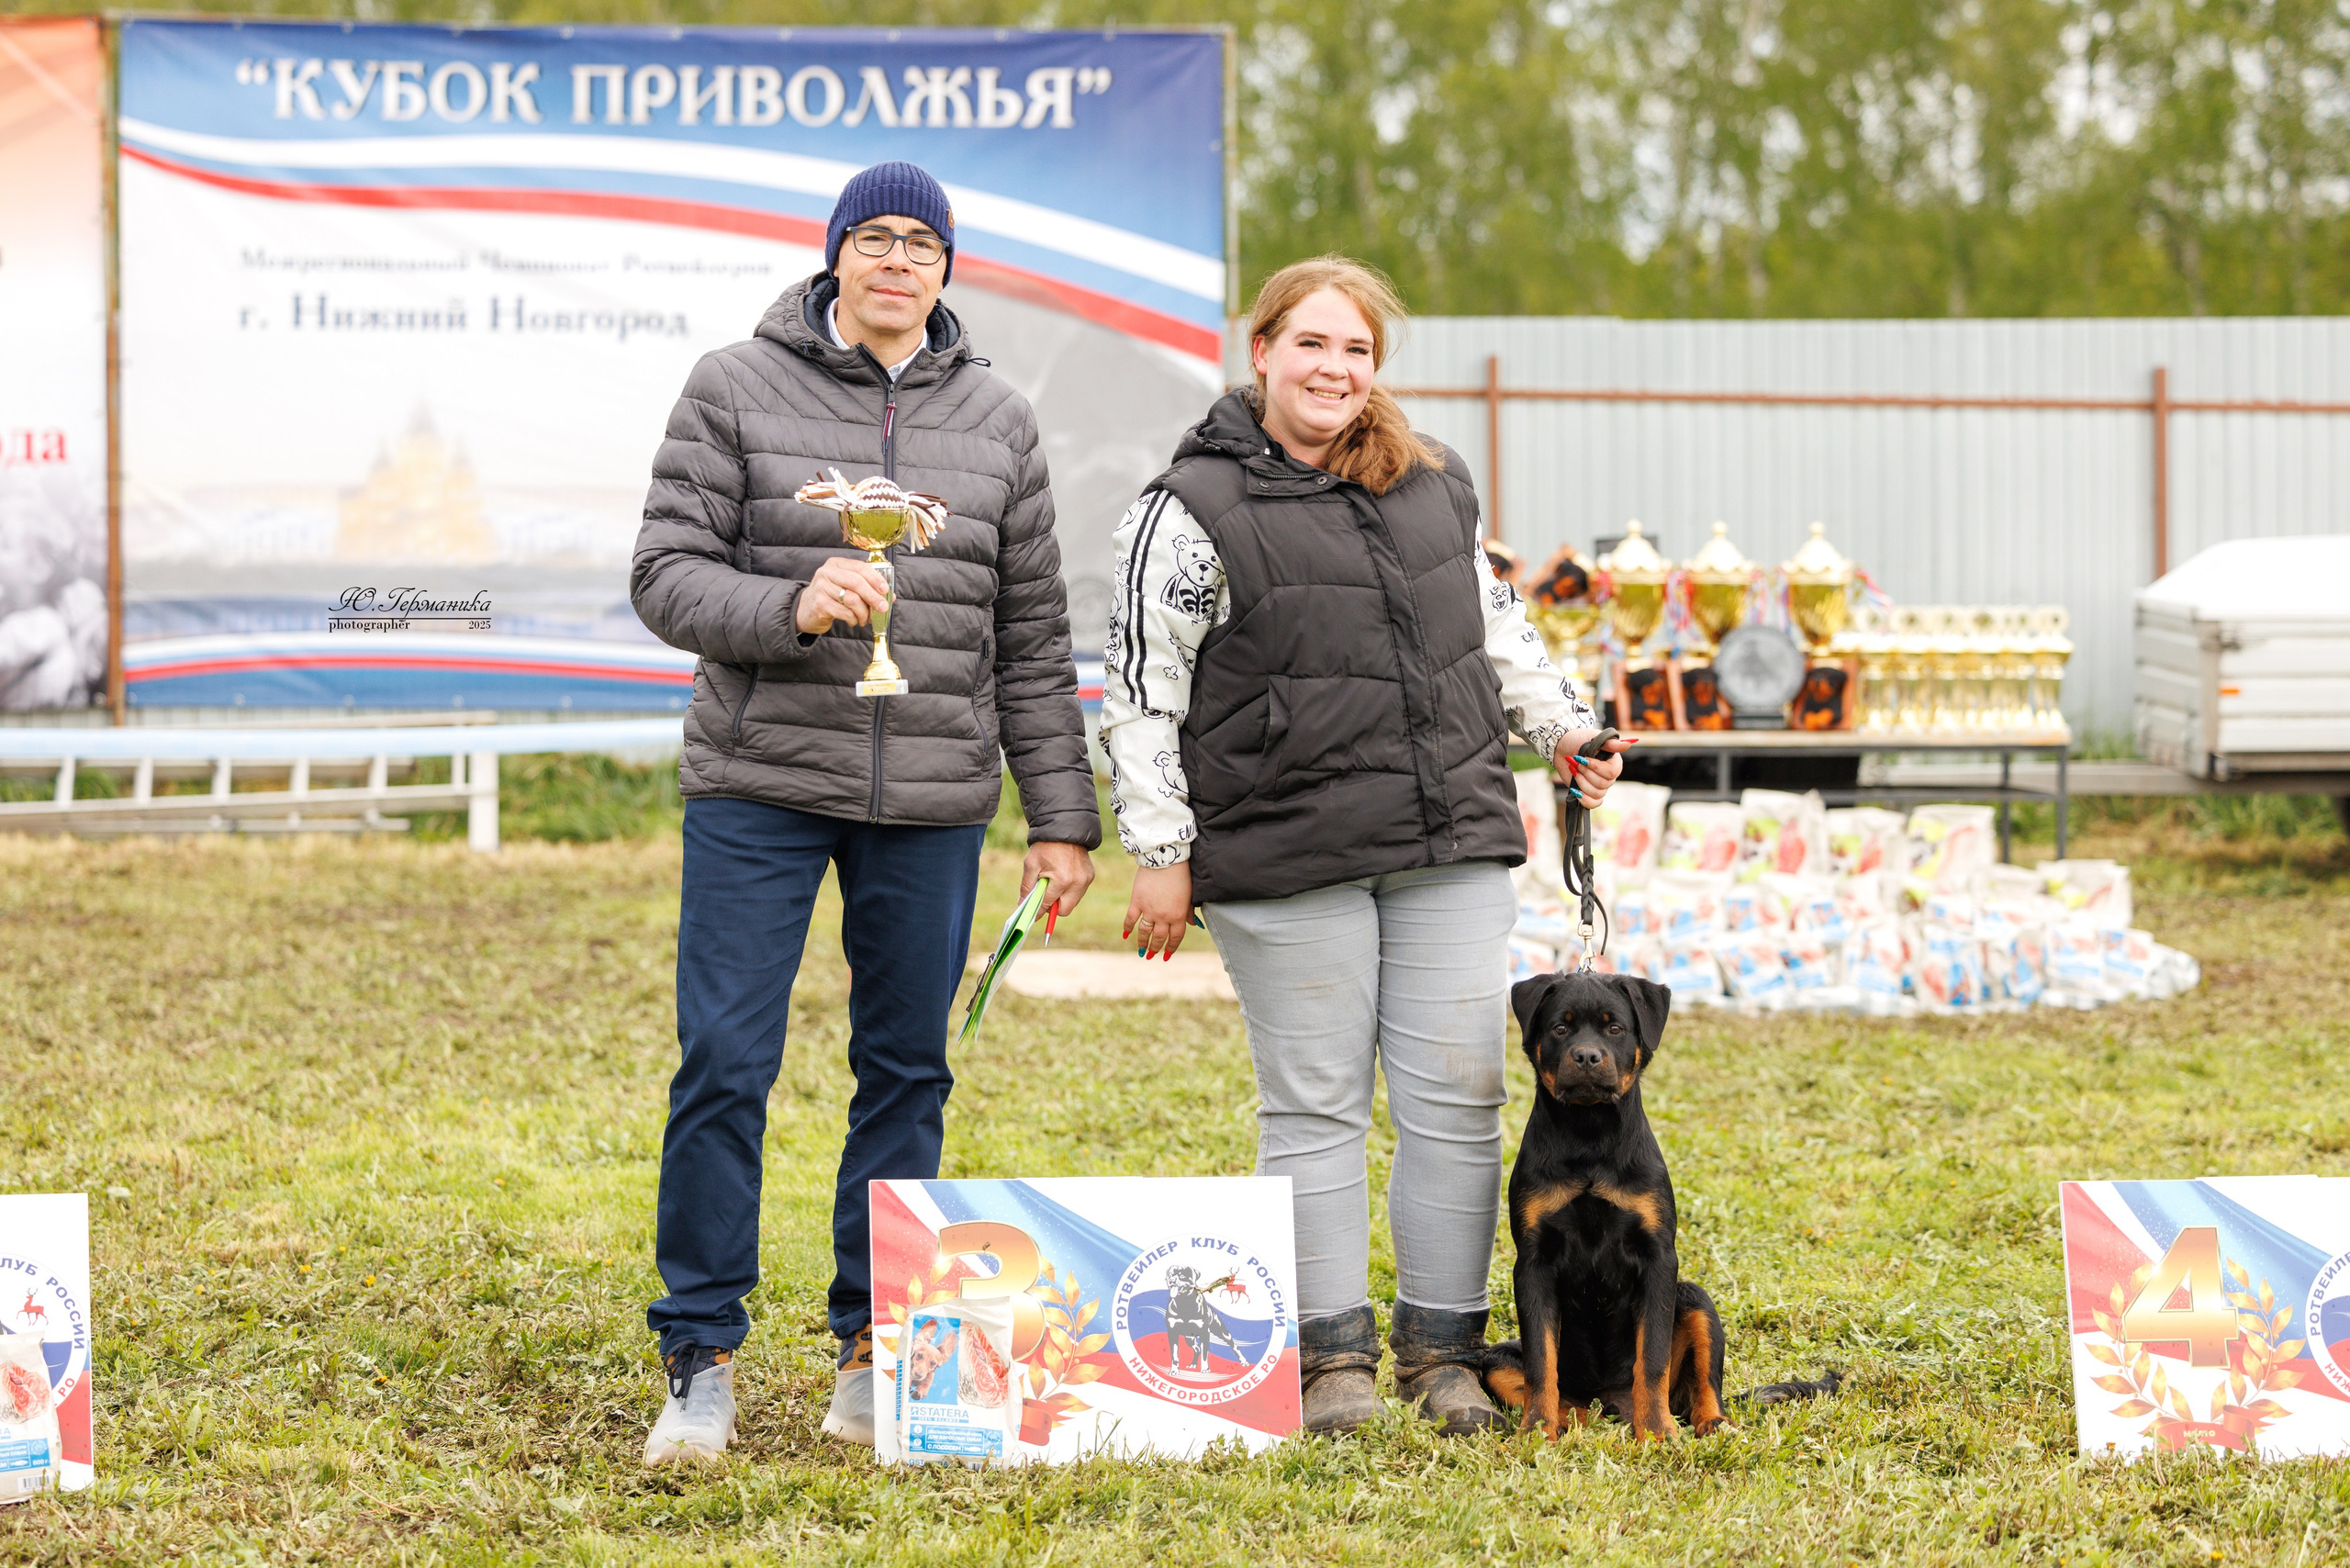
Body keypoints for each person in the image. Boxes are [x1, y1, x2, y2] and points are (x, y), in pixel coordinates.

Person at [1098, 255, 1632, 1436]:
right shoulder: (1186, 506)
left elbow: (1495, 627)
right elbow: (1140, 689)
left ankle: (1441, 1354)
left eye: (1356, 350)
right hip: (1284, 848)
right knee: (1315, 1106)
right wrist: (1160, 849)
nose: (1334, 369)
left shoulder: (1432, 481)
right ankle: (1330, 1358)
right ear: (1262, 352)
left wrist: (1564, 729)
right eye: (1311, 344)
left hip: (1447, 836)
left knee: (1461, 1100)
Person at [630, 161, 1100, 1462]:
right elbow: (664, 575)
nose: (898, 260)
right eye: (875, 237)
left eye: (922, 243)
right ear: (835, 253)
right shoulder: (734, 384)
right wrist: (789, 606)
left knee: (907, 1072)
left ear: (947, 267)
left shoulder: (1000, 418)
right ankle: (700, 1354)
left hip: (934, 798)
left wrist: (1061, 816)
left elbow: (1031, 635)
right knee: (724, 1063)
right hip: (761, 783)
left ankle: (873, 1346)